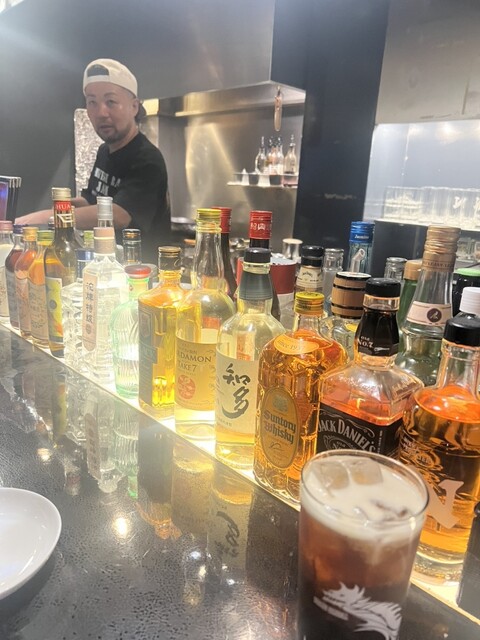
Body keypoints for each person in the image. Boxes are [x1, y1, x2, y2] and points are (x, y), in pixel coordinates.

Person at [16, 58, 171, 262]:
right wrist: (57, 207)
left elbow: (119, 215)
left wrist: (47, 218)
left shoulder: (147, 158)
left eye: (111, 102)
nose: (101, 113)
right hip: (106, 265)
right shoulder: (104, 151)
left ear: (134, 106)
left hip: (141, 272)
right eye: (92, 102)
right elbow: (91, 200)